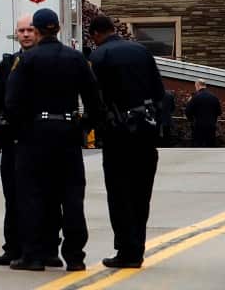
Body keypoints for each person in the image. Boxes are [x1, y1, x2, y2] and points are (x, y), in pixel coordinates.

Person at [5, 8, 102, 273]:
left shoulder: (27, 60)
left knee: (33, 195)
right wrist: (84, 126)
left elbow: (12, 102)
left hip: (35, 134)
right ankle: (75, 256)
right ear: (58, 28)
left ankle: (34, 255)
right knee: (71, 195)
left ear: (35, 30)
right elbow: (94, 99)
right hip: (67, 132)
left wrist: (23, 128)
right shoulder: (76, 59)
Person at [0, 14, 62, 268]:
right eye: (21, 31)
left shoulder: (53, 60)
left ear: (38, 32)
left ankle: (49, 248)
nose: (26, 34)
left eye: (30, 30)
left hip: (48, 141)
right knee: (13, 195)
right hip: (15, 142)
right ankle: (13, 246)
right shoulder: (8, 64)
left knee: (50, 196)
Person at [88, 14, 166, 269]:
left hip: (118, 135)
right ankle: (138, 249)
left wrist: (90, 127)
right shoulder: (142, 51)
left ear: (96, 35)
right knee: (141, 194)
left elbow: (94, 99)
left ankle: (126, 250)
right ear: (113, 29)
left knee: (119, 194)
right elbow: (159, 92)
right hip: (146, 132)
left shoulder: (99, 56)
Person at [185, 80, 223, 147]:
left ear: (197, 85)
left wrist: (191, 121)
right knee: (210, 146)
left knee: (198, 146)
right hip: (211, 126)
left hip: (198, 126)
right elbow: (219, 112)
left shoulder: (195, 97)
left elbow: (188, 111)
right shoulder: (214, 97)